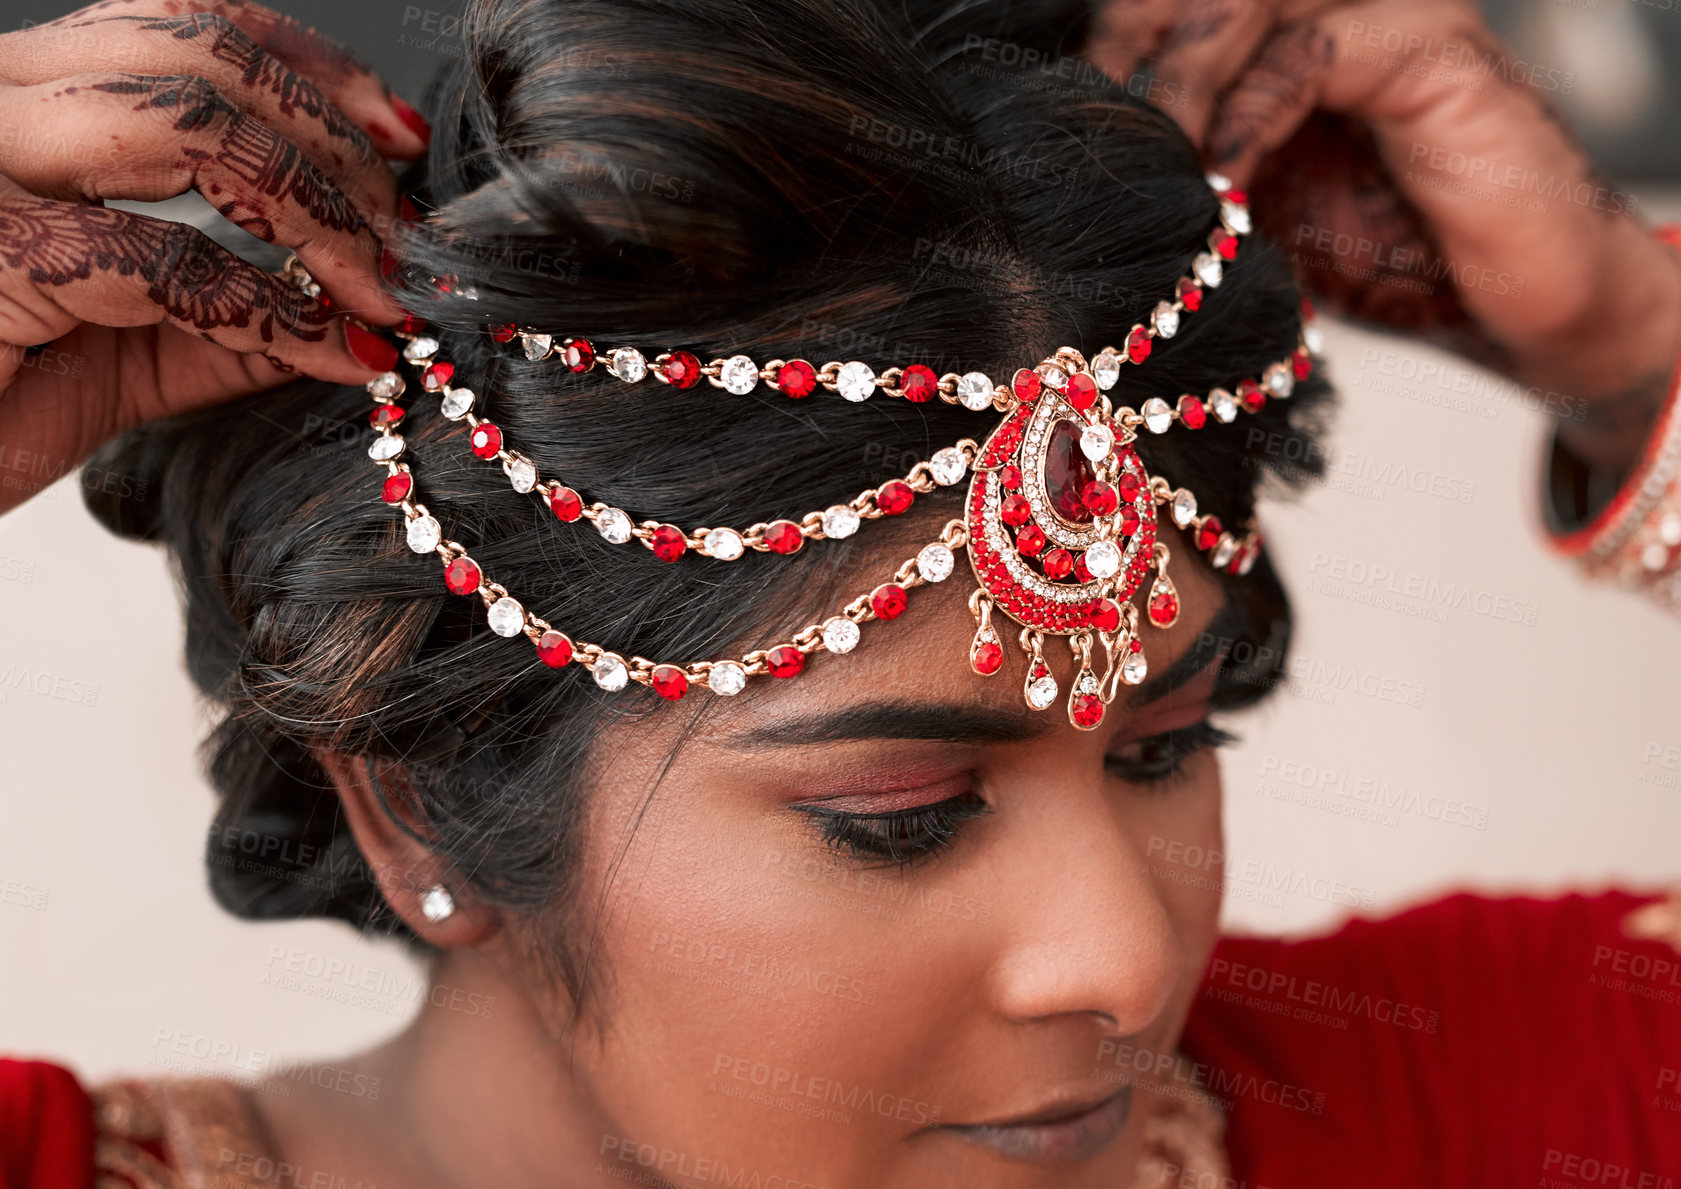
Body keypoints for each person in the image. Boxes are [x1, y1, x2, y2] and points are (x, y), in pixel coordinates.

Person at [1, 1, 1678, 1187]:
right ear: (413, 811)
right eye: (902, 810)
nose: (1120, 957)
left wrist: (1633, 354)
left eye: (1165, 745)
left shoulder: (1480, 1106)